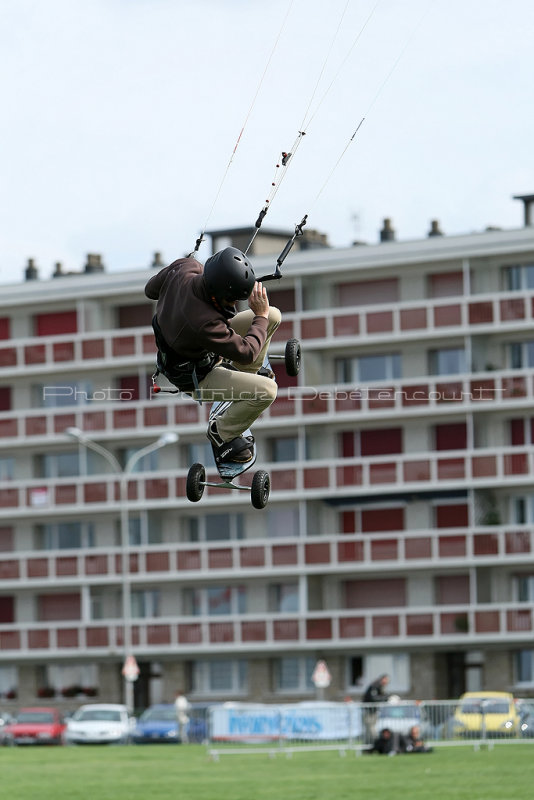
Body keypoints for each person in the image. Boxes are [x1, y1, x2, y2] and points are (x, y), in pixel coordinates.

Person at [145, 247, 281, 464]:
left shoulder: (185, 266)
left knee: (272, 315)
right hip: (196, 379)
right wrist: (260, 315)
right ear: (218, 294)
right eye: (233, 300)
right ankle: (222, 433)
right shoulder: (204, 323)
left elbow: (150, 290)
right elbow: (247, 353)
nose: (235, 305)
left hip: (196, 349)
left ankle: (245, 378)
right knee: (267, 391)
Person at [362, 673, 390, 742]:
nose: (387, 682)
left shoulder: (380, 686)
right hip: (369, 711)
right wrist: (385, 698)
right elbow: (373, 698)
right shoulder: (375, 685)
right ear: (382, 679)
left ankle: (370, 745)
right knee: (370, 728)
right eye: (386, 680)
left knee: (371, 728)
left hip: (373, 711)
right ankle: (375, 742)